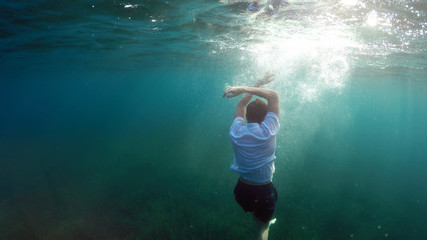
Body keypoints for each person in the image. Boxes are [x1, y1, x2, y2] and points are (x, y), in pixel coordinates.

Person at [223, 73, 280, 240]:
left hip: (241, 192)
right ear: (266, 118)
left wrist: (258, 82)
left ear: (246, 116)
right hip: (263, 192)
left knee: (255, 212)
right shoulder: (268, 131)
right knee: (262, 228)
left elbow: (242, 103)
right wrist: (244, 88)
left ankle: (258, 215)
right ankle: (263, 223)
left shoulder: (236, 131)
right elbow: (274, 96)